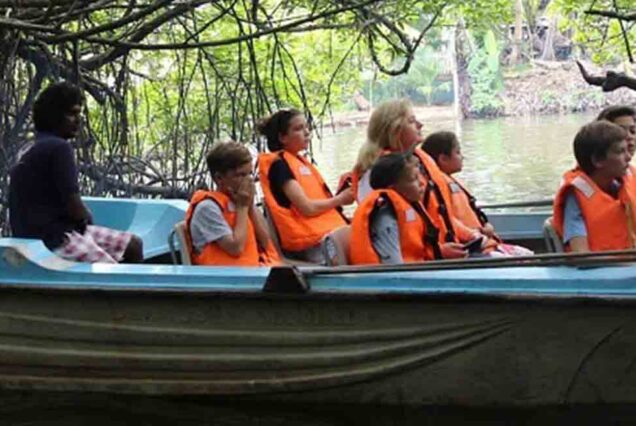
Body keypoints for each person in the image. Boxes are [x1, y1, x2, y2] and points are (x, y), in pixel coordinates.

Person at [9, 81, 143, 264]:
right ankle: (127, 291)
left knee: (133, 244)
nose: (78, 120)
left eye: (79, 113)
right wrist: (86, 218)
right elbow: (75, 207)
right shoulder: (59, 148)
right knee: (112, 271)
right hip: (54, 239)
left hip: (45, 234)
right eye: (72, 114)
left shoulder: (28, 147)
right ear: (54, 116)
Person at [350, 99, 476, 245]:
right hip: (419, 262)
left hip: (442, 251)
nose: (420, 125)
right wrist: (440, 252)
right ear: (394, 130)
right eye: (411, 121)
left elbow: (438, 215)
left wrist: (472, 235)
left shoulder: (419, 161)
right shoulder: (378, 174)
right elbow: (384, 234)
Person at [256, 108, 353, 263]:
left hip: (326, 234)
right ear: (282, 137)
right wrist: (340, 199)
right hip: (310, 244)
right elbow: (307, 208)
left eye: (306, 127)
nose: (307, 132)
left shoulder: (299, 162)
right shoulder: (279, 165)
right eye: (298, 129)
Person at [422, 131, 534, 257]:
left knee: (528, 255)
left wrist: (485, 225)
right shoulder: (436, 188)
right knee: (527, 259)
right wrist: (477, 234)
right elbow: (448, 222)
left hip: (486, 243)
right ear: (443, 159)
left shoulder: (450, 182)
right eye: (458, 152)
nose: (462, 157)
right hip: (473, 249)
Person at [349, 153, 467, 265]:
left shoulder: (409, 206)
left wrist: (440, 251)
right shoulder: (385, 217)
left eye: (420, 177)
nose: (422, 183)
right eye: (413, 179)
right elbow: (393, 269)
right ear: (393, 187)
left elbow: (414, 251)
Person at [185, 142, 280, 267]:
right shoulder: (208, 208)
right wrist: (242, 207)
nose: (248, 180)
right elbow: (236, 248)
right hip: (224, 279)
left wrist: (250, 206)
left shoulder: (241, 200)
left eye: (249, 174)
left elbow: (265, 241)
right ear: (219, 178)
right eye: (240, 175)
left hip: (251, 273)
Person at [553, 121, 636, 252]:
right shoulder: (576, 196)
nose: (629, 157)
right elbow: (582, 255)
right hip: (603, 270)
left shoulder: (626, 182)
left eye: (627, 150)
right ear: (598, 160)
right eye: (620, 151)